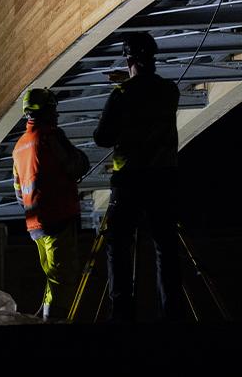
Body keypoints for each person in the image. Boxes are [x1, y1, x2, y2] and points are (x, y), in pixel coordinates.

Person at [92, 30, 186, 322]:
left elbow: (102, 138)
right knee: (166, 246)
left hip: (129, 179)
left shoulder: (121, 95)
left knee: (118, 245)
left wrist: (123, 88)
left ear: (128, 58)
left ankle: (122, 312)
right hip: (163, 178)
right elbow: (149, 95)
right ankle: (171, 311)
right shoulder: (170, 91)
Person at [12, 87, 90, 320]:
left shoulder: (19, 147)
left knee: (52, 276)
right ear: (47, 110)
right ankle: (53, 322)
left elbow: (18, 191)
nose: (56, 114)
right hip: (59, 217)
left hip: (35, 224)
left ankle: (47, 317)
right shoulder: (50, 136)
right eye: (53, 109)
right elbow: (75, 166)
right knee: (63, 277)